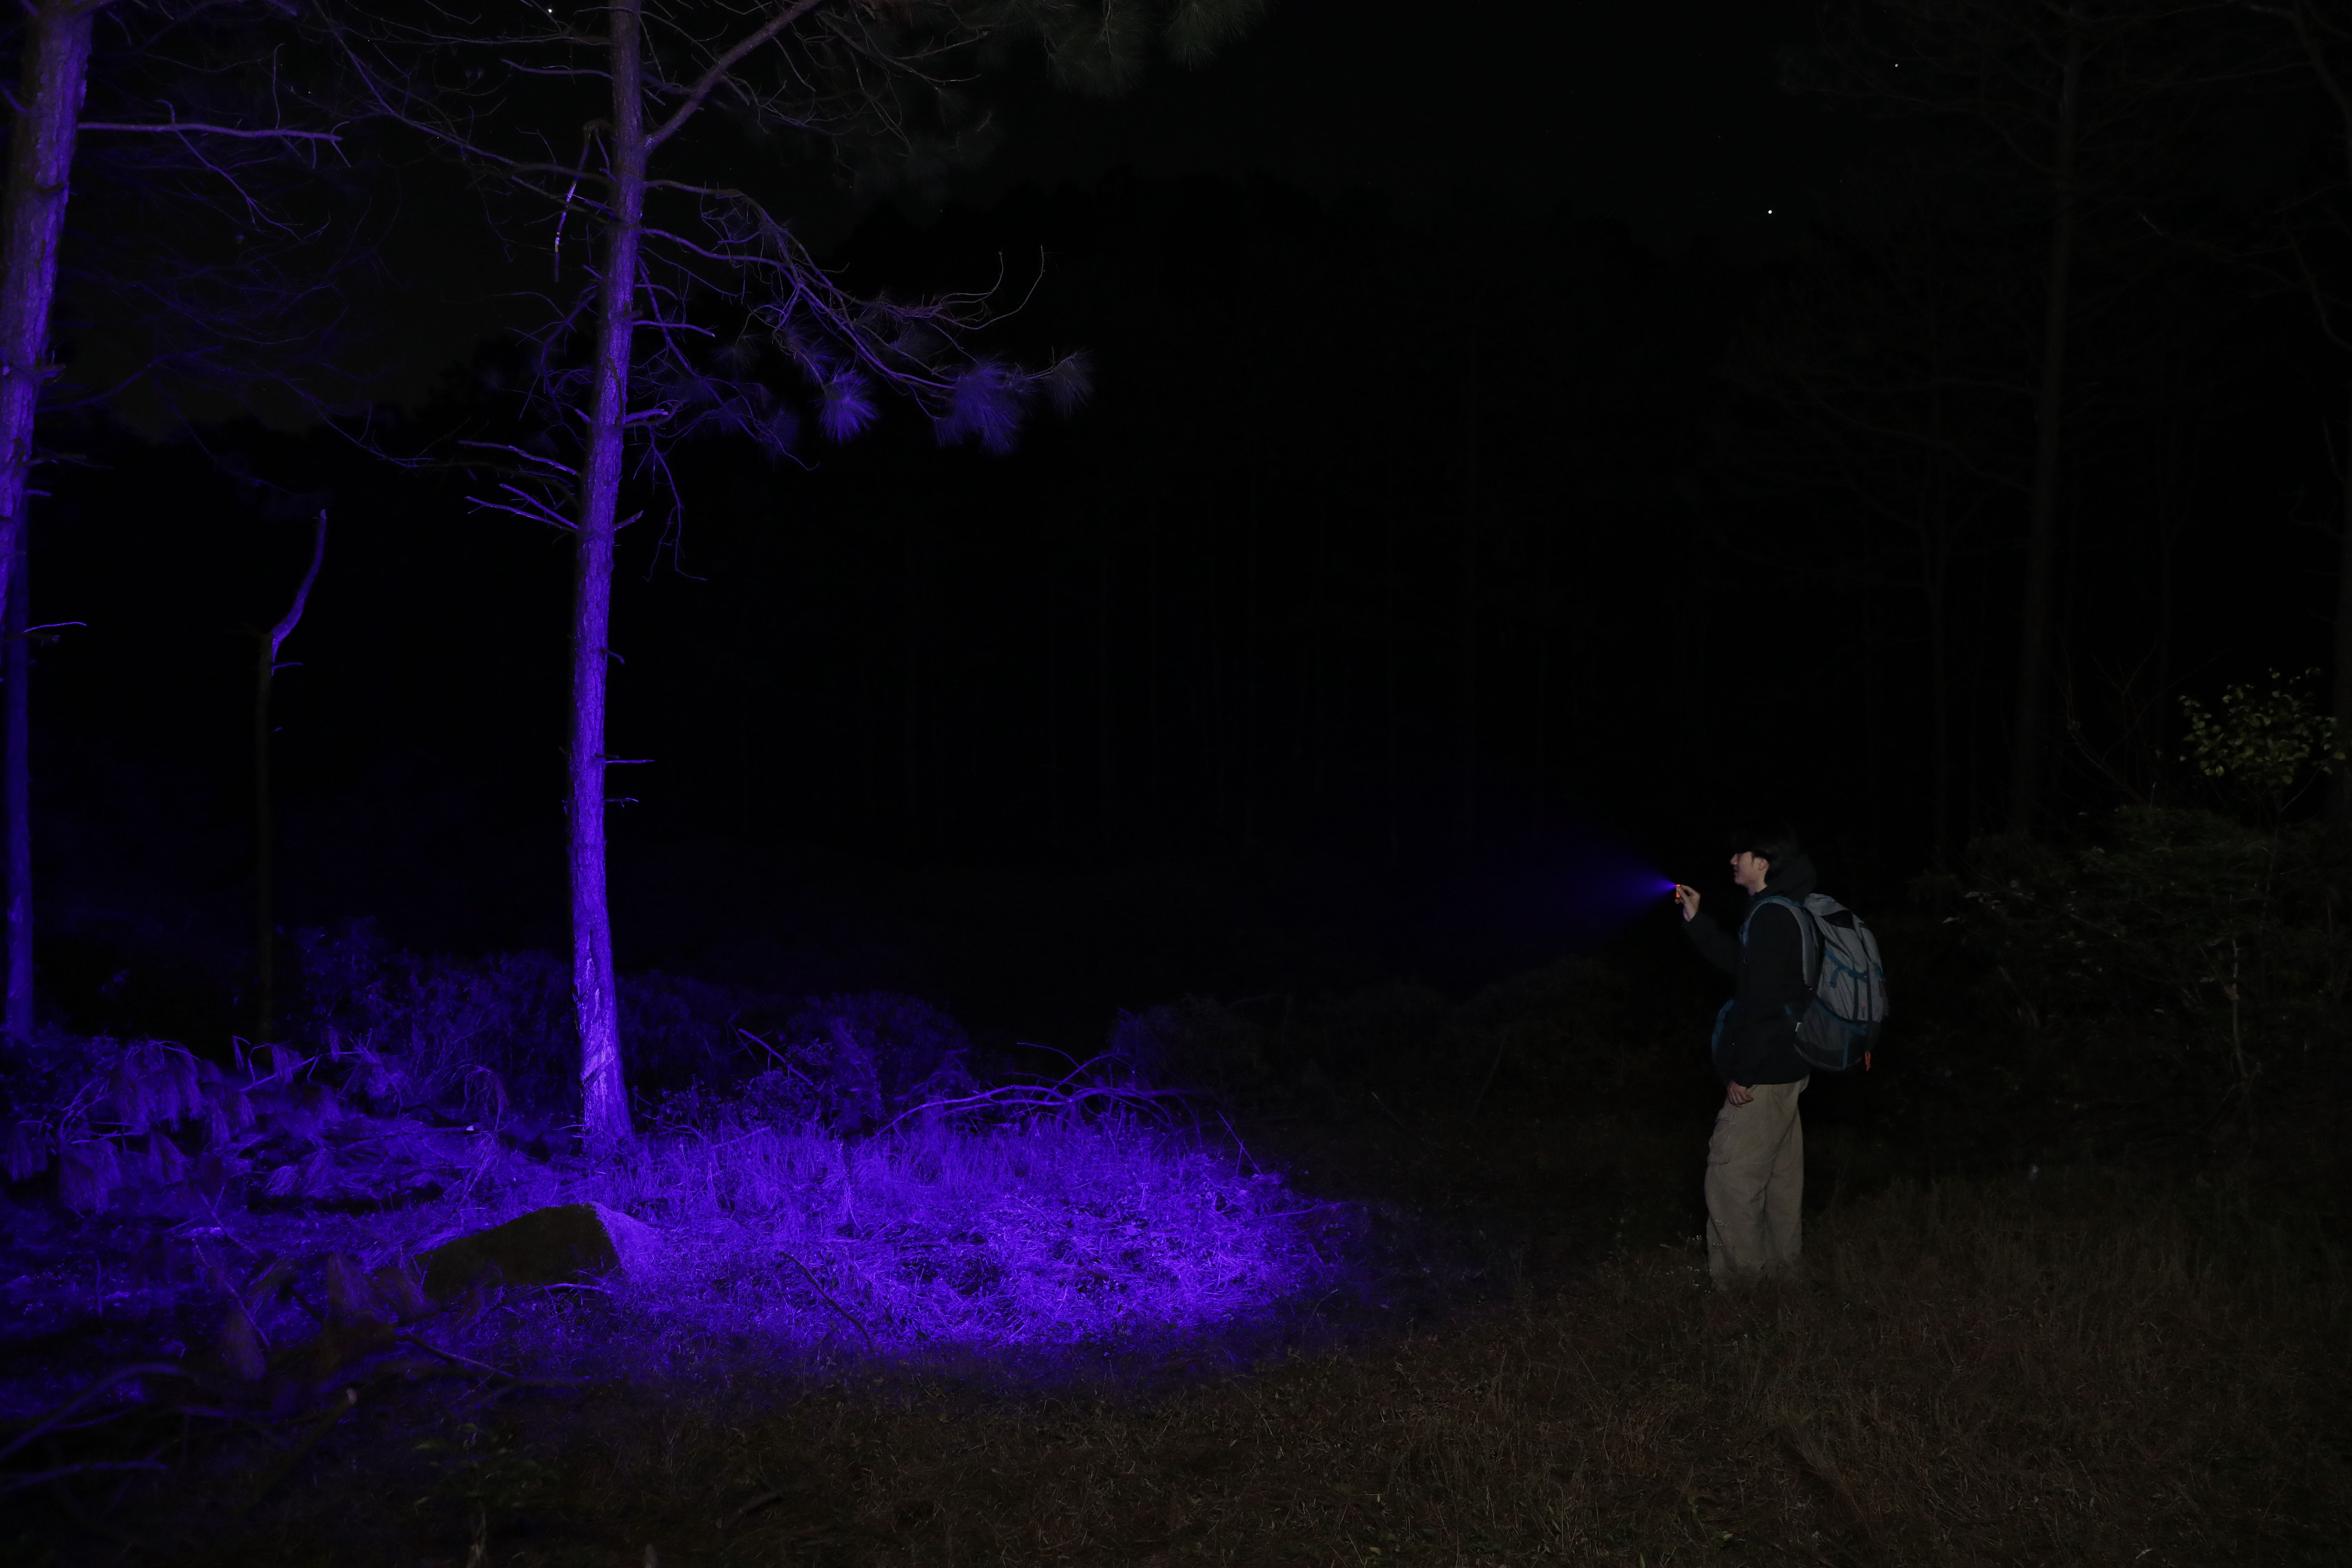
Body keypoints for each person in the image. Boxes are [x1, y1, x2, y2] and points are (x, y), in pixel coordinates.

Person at [1672, 831, 1817, 1287]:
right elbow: (1742, 965)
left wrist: (1743, 1074)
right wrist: (1697, 921)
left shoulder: (1773, 918)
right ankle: (1784, 1288)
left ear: (1763, 864)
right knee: (1778, 1183)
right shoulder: (1780, 911)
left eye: (1742, 854)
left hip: (1766, 1074)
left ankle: (1745, 1299)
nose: (1733, 859)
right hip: (1789, 1070)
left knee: (1730, 1181)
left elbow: (1765, 1007)